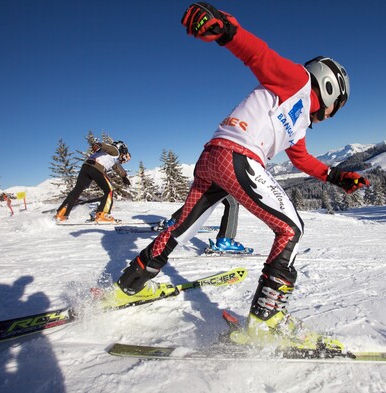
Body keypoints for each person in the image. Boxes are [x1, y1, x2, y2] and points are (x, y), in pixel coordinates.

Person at [102, 3, 370, 350]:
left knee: (180, 230)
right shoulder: (299, 82)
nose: (334, 114)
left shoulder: (298, 119)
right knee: (290, 229)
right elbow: (260, 55)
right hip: (237, 157)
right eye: (339, 106)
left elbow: (301, 158)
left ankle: (127, 287)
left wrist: (336, 176)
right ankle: (265, 321)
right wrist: (226, 29)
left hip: (212, 157)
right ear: (331, 88)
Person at [55, 140, 131, 223]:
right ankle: (102, 215)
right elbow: (107, 147)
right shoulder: (115, 150)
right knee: (109, 190)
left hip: (86, 167)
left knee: (77, 190)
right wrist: (98, 144)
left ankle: (61, 214)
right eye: (124, 153)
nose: (122, 157)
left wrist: (124, 177)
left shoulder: (108, 155)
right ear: (121, 149)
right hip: (96, 168)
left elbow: (117, 167)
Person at [159, 195, 247, 252]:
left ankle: (174, 221)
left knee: (199, 198)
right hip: (220, 175)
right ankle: (225, 240)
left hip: (206, 172)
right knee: (232, 203)